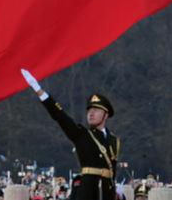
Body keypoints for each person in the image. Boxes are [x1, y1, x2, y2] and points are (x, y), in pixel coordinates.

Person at [21, 70, 120, 200]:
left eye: (95, 110)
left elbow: (112, 171)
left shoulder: (114, 140)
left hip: (107, 193)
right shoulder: (81, 135)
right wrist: (40, 91)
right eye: (89, 110)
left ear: (106, 115)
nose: (91, 113)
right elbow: (60, 116)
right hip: (88, 192)